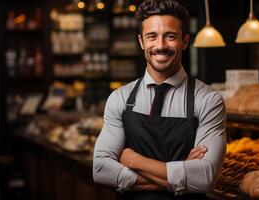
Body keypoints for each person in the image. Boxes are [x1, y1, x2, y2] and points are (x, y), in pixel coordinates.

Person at [93, 0, 226, 199]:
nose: (160, 46)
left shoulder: (208, 100)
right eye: (152, 36)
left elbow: (205, 178)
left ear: (185, 41)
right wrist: (182, 175)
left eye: (170, 36)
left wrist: (133, 160)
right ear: (141, 42)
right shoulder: (119, 98)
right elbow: (101, 169)